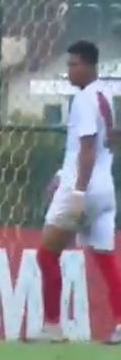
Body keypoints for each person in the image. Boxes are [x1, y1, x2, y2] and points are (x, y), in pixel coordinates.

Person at [34, 40, 121, 344]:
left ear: (88, 65)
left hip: (83, 188)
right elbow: (110, 139)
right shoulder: (106, 95)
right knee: (105, 258)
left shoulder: (84, 99)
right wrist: (64, 174)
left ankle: (52, 327)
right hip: (105, 189)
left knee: (47, 254)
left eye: (74, 65)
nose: (70, 71)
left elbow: (86, 148)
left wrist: (78, 191)